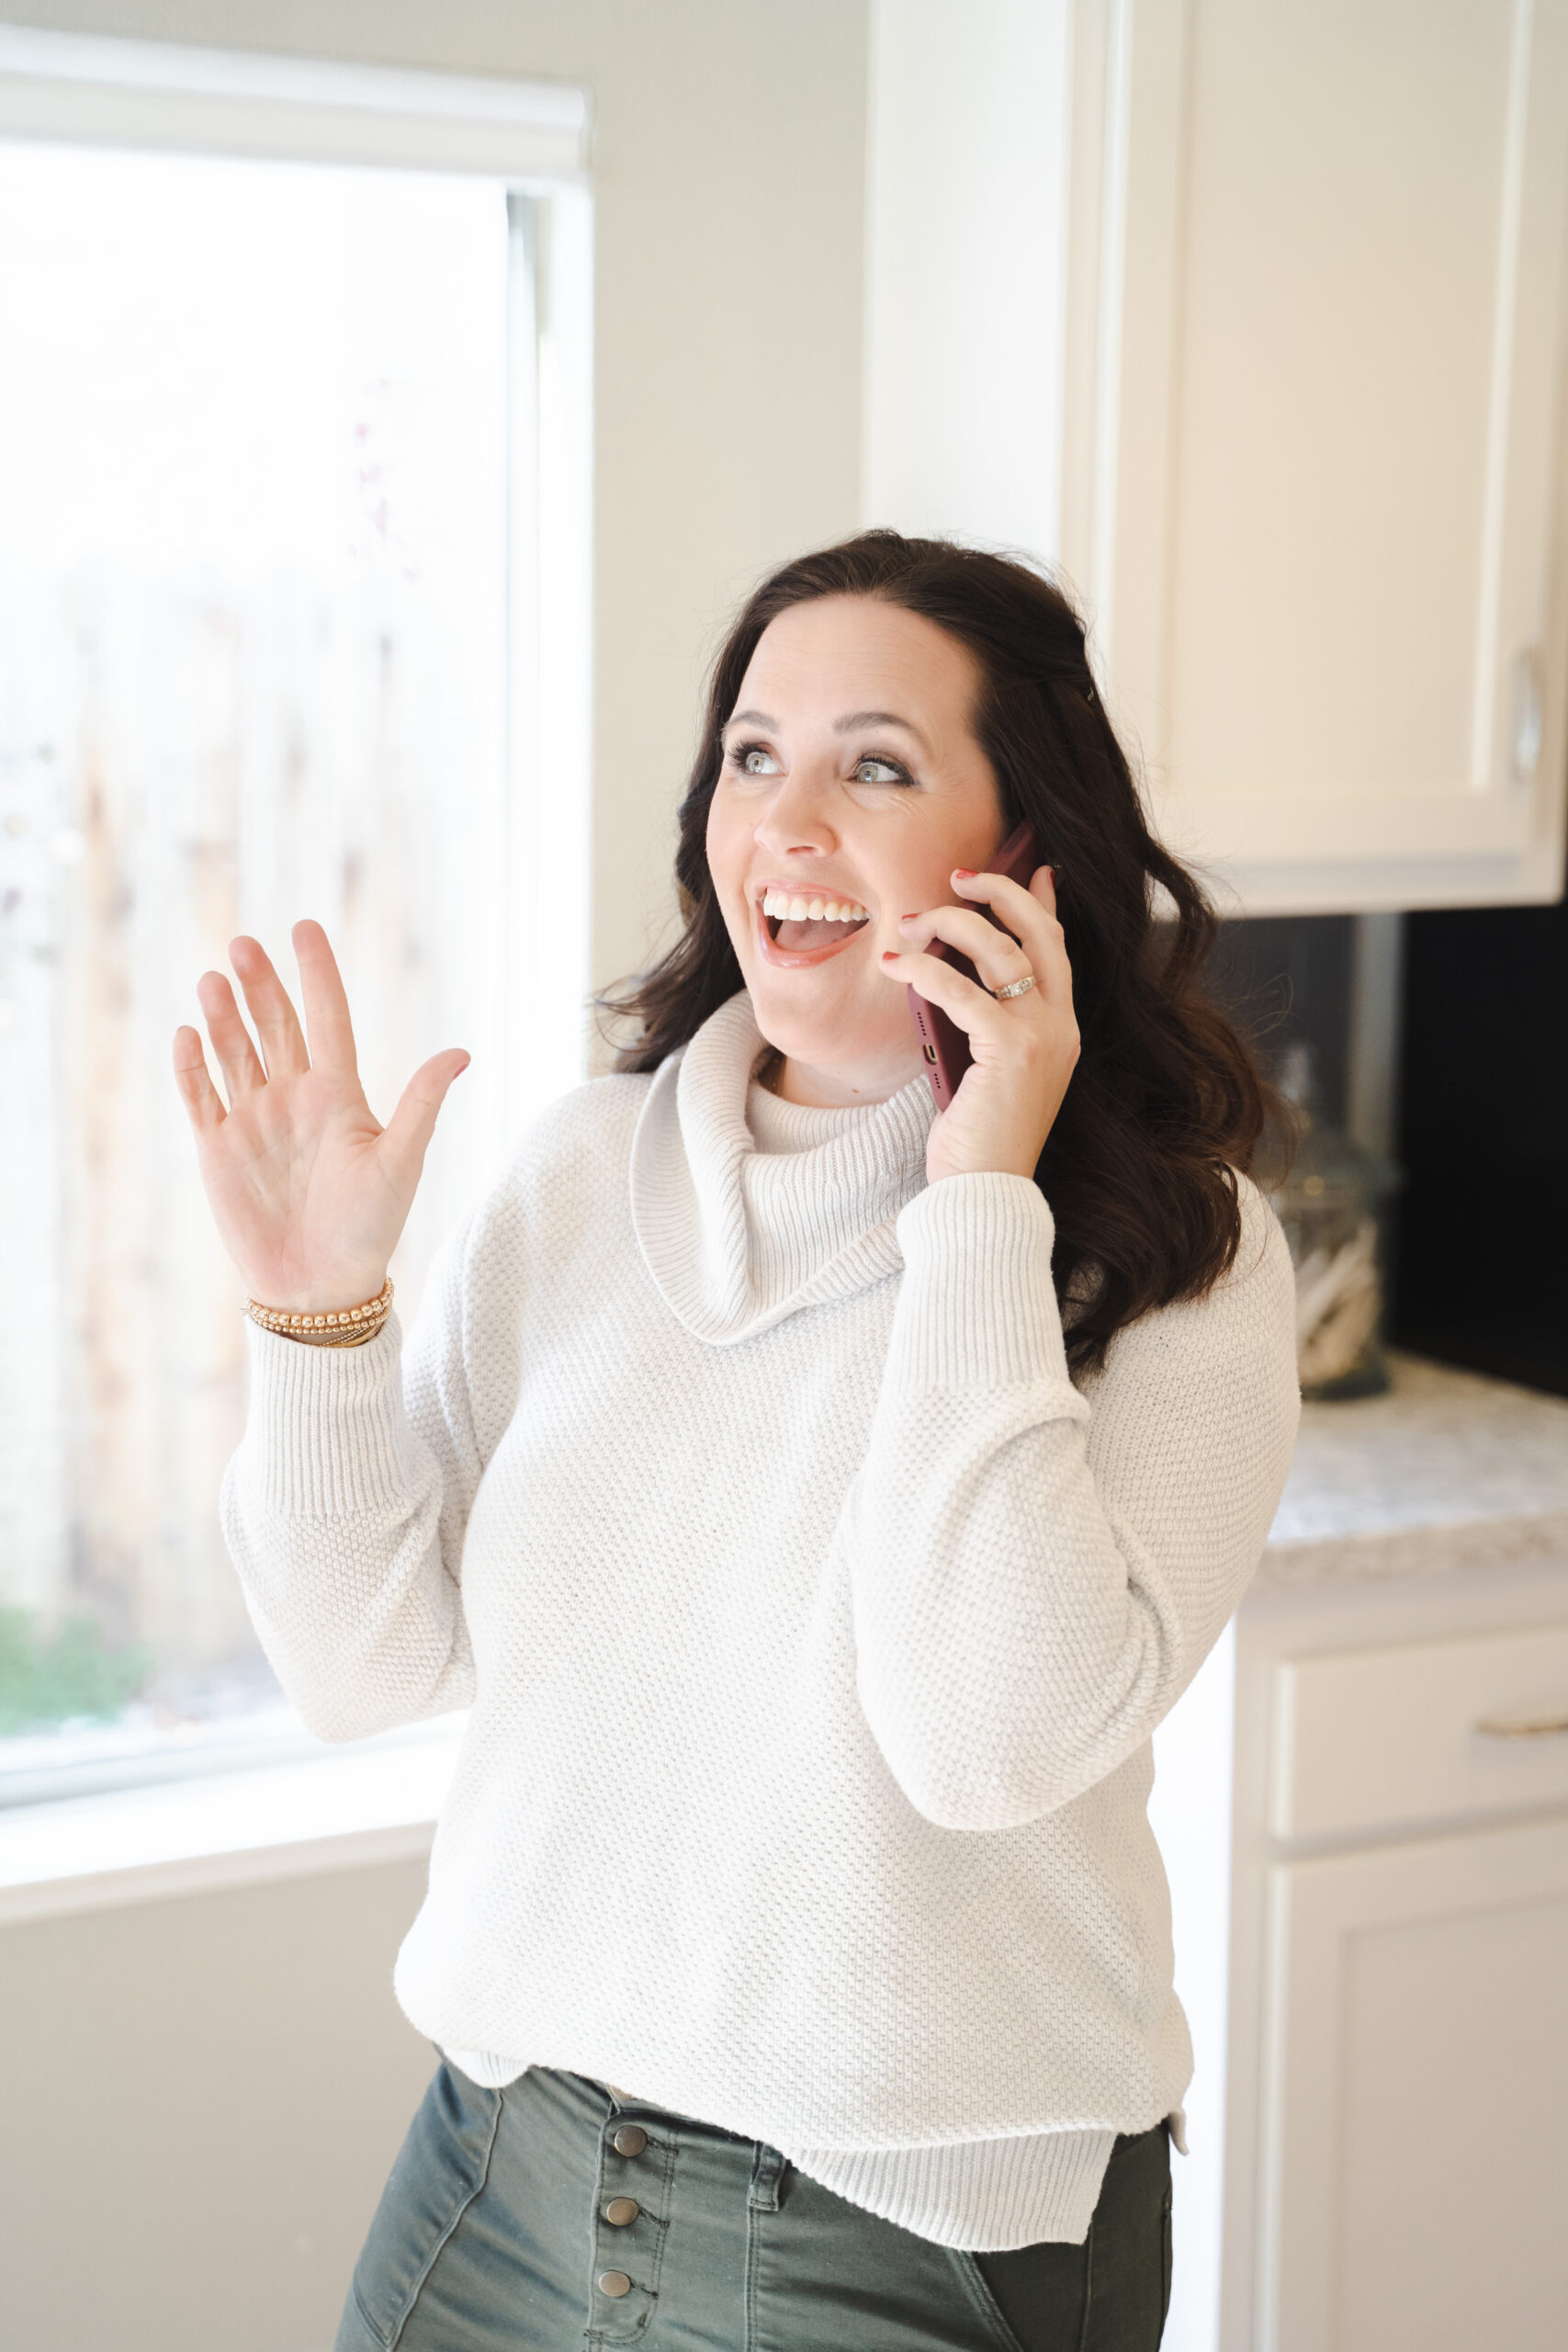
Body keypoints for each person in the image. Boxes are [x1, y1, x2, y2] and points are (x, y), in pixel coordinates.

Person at [174, 531, 1300, 2352]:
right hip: (501, 2161)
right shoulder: (575, 1174)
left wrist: (976, 1195)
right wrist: (320, 1317)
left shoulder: (1176, 1257)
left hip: (898, 2222)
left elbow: (984, 1736)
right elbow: (358, 1670)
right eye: (751, 752)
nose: (786, 814)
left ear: (1024, 850)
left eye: (872, 762)